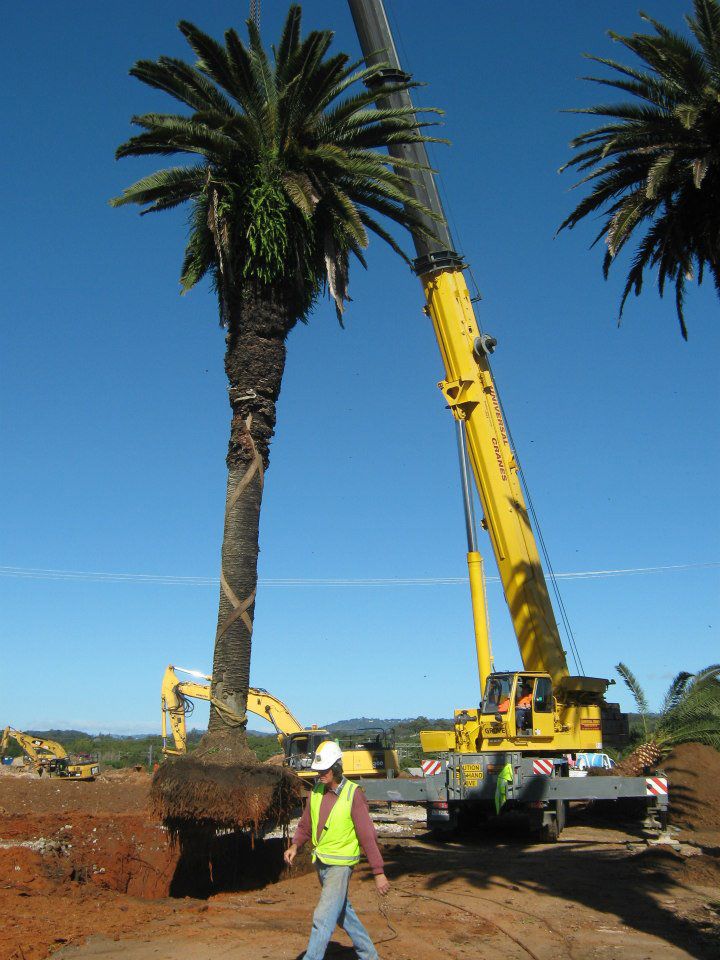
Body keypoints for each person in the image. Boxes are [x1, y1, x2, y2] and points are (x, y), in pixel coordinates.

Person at [284, 740, 390, 960]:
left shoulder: (353, 794)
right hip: (322, 862)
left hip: (341, 865)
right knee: (342, 913)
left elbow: (367, 835)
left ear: (336, 769)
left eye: (324, 770)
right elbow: (306, 824)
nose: (320, 774)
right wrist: (295, 844)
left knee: (323, 916)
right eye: (318, 770)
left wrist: (378, 872)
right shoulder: (316, 792)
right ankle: (370, 956)